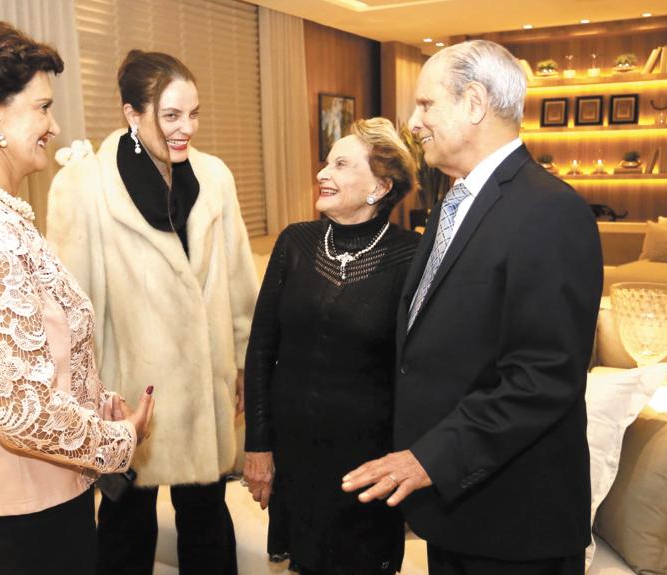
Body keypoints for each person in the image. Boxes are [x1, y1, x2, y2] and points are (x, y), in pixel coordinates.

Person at [343, 40, 603, 575]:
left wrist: (428, 458)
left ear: (475, 103)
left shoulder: (551, 211)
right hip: (456, 509)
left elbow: (543, 378)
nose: (413, 122)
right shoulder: (452, 204)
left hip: (515, 526)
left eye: (426, 105)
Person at [0, 19, 153, 575]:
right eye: (42, 108)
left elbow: (18, 360)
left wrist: (90, 403)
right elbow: (22, 414)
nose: (54, 124)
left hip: (24, 491)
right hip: (18, 510)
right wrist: (118, 437)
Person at [47, 49, 258, 574]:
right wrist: (85, 398)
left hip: (204, 388)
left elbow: (237, 282)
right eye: (171, 116)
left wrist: (243, 362)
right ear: (132, 114)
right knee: (125, 525)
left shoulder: (214, 176)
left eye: (194, 113)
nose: (186, 128)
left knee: (208, 517)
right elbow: (73, 305)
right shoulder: (85, 184)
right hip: (128, 395)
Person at [243, 118, 420, 575]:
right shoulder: (295, 242)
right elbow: (262, 350)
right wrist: (258, 447)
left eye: (340, 164)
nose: (323, 172)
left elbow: (415, 369)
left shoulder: (409, 256)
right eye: (326, 161)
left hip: (368, 464)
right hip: (295, 458)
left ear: (380, 186)